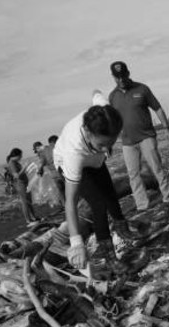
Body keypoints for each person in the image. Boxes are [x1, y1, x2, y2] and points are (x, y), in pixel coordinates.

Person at [54, 91, 139, 275]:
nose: (106, 148)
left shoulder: (106, 113)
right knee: (98, 204)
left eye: (110, 143)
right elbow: (70, 202)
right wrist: (76, 242)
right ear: (88, 131)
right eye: (102, 144)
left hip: (94, 159)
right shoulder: (73, 154)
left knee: (110, 193)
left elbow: (96, 93)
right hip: (73, 162)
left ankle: (121, 228)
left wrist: (103, 148)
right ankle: (108, 257)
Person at [108, 61, 169, 211]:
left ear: (128, 73)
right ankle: (142, 205)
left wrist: (167, 129)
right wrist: (109, 143)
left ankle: (168, 196)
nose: (121, 80)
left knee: (156, 167)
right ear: (113, 77)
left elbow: (158, 109)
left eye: (123, 76)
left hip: (146, 137)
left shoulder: (142, 89)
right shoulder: (113, 97)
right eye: (117, 77)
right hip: (127, 142)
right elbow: (112, 121)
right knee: (133, 174)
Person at [6, 148, 39, 227]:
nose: (21, 157)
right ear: (16, 155)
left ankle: (33, 217)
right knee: (25, 203)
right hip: (20, 185)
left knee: (29, 201)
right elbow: (16, 176)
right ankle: (28, 220)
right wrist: (24, 167)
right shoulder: (12, 163)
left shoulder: (15, 162)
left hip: (25, 183)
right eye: (20, 155)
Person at [35, 135, 65, 205]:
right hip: (62, 172)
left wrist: (40, 170)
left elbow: (42, 162)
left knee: (60, 190)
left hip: (53, 175)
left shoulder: (44, 150)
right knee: (68, 190)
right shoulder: (58, 147)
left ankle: (64, 205)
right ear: (56, 141)